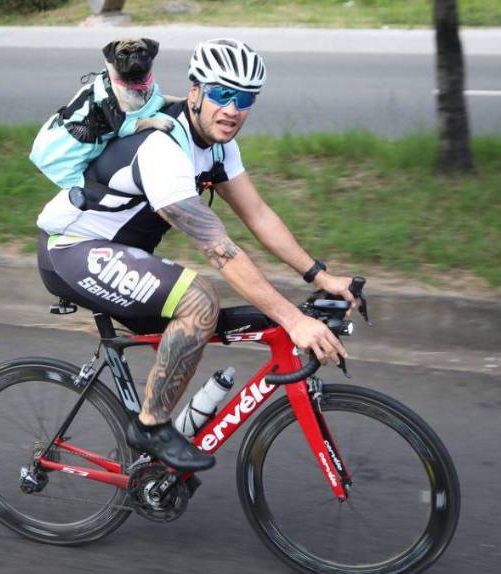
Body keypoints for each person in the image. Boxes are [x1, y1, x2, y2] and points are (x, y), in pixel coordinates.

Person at [34, 38, 357, 472]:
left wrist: (319, 276)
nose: (232, 109)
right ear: (195, 93)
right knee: (199, 300)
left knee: (208, 323)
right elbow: (219, 250)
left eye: (244, 99)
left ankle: (155, 457)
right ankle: (150, 427)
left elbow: (258, 215)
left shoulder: (220, 145)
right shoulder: (164, 149)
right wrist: (293, 320)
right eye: (222, 94)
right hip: (73, 251)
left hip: (122, 255)